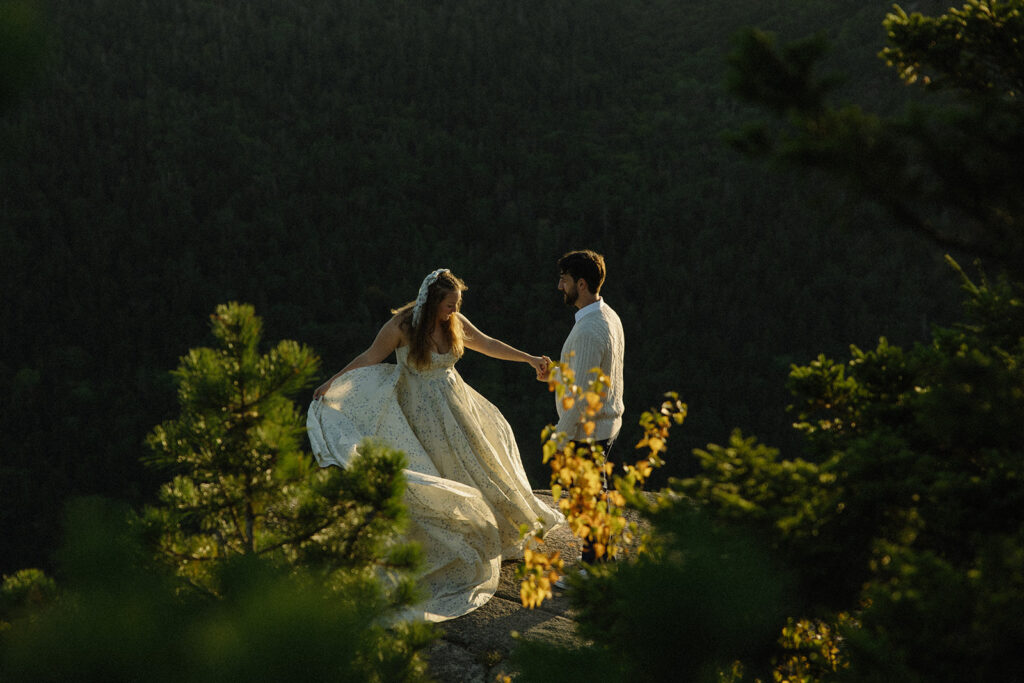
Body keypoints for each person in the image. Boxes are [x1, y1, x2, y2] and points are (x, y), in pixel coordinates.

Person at [307, 268, 563, 622]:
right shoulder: (402, 327)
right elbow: (369, 358)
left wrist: (529, 359)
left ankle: (492, 528)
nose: (453, 312)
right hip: (419, 413)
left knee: (480, 465)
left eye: (457, 305)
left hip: (456, 405)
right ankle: (454, 538)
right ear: (431, 302)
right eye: (448, 305)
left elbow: (487, 343)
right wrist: (332, 383)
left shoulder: (454, 322)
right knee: (440, 474)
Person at [541, 249, 625, 572]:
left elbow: (585, 394)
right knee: (595, 494)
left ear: (582, 283)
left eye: (564, 280)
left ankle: (594, 569)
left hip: (588, 429)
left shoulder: (590, 329)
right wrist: (558, 374)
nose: (559, 287)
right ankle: (603, 562)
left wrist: (562, 434)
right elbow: (593, 374)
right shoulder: (609, 317)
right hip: (606, 423)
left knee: (588, 499)